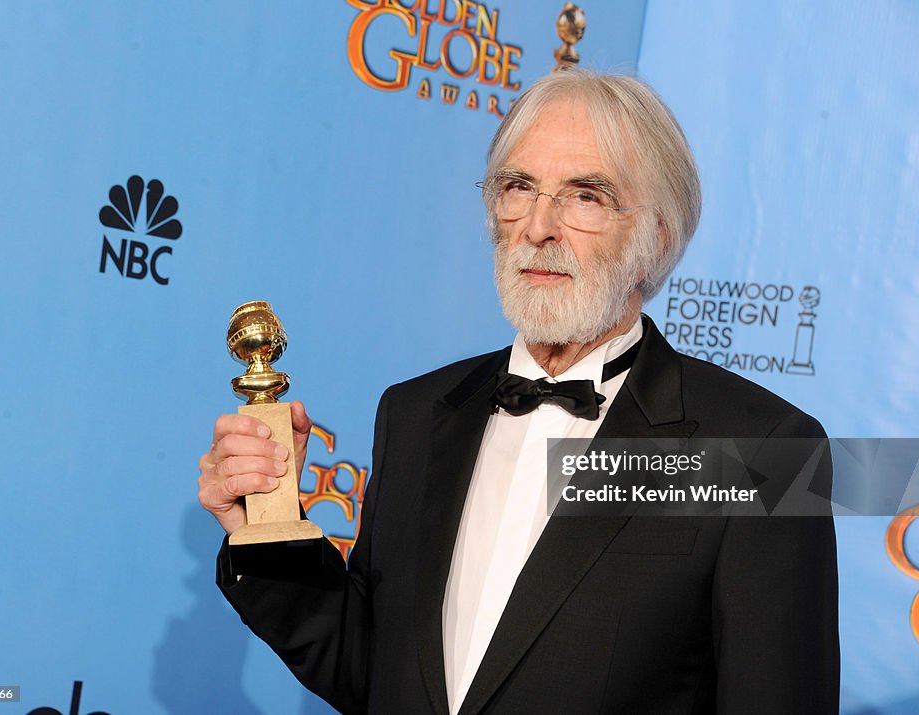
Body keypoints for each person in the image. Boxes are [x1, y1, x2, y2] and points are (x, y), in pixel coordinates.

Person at [198, 69, 840, 714]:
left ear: (657, 238)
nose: (538, 226)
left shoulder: (761, 450)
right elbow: (375, 674)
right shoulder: (416, 413)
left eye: (585, 196)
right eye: (518, 188)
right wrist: (268, 531)